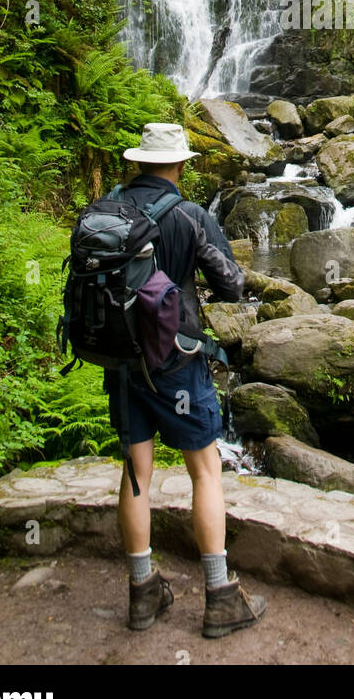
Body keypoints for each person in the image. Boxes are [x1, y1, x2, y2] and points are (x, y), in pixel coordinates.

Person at [105, 122, 266, 638]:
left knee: (136, 472)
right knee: (205, 471)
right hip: (177, 363)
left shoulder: (107, 211)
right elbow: (233, 284)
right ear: (180, 164)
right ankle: (219, 596)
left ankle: (142, 591)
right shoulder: (190, 216)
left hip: (123, 364)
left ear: (138, 164)